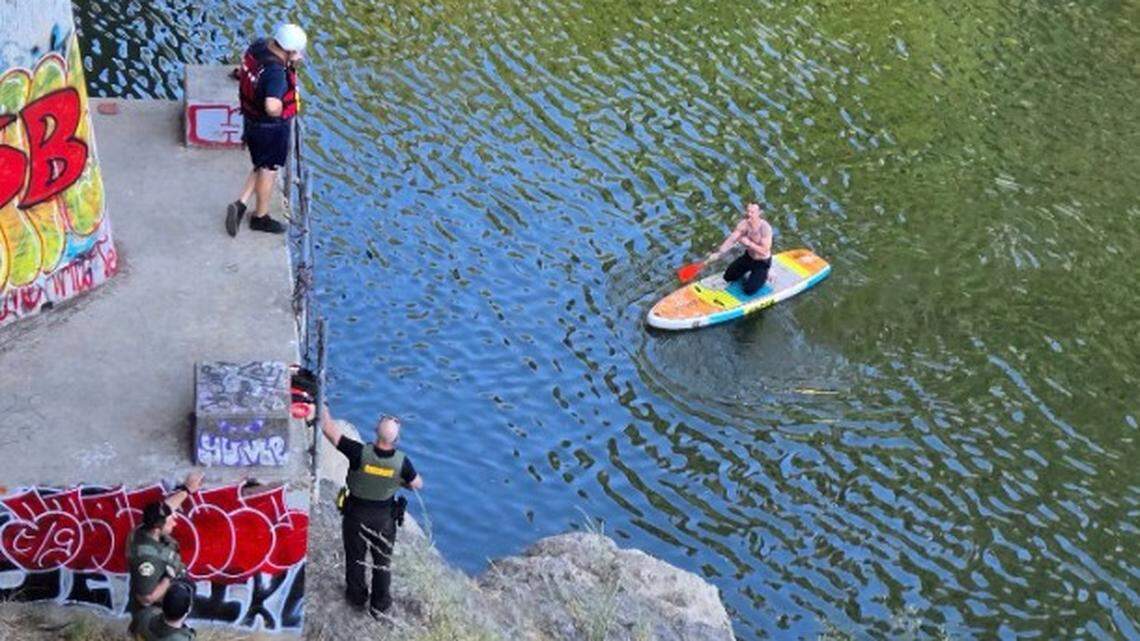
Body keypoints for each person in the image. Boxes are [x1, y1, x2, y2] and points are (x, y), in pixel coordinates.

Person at [321, 406, 423, 618]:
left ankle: (356, 599)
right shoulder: (402, 462)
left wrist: (322, 407)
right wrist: (398, 482)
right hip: (384, 519)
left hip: (356, 515)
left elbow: (329, 430)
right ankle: (380, 605)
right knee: (382, 563)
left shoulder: (358, 452)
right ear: (396, 439)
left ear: (376, 430)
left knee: (355, 559)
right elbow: (417, 484)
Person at [225, 23, 308, 236]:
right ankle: (260, 217)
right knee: (269, 169)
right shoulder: (276, 73)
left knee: (262, 162)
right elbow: (271, 105)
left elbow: (246, 71)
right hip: (269, 127)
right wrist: (280, 108)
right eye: (296, 53)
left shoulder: (259, 47)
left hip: (251, 120)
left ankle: (240, 203)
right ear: (288, 51)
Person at [126, 471, 203, 636]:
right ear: (157, 527)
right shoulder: (146, 558)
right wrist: (169, 578)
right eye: (171, 520)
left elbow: (165, 509)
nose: (175, 522)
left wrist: (187, 490)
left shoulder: (144, 528)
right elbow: (146, 598)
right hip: (157, 615)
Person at [705, 202, 774, 295]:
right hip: (748, 257)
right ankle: (747, 272)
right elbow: (732, 239)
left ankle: (766, 274)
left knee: (748, 290)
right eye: (748, 211)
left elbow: (764, 251)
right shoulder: (744, 224)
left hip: (762, 263)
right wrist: (719, 253)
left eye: (752, 212)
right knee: (728, 276)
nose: (749, 214)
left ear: (759, 213)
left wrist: (749, 243)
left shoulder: (765, 228)